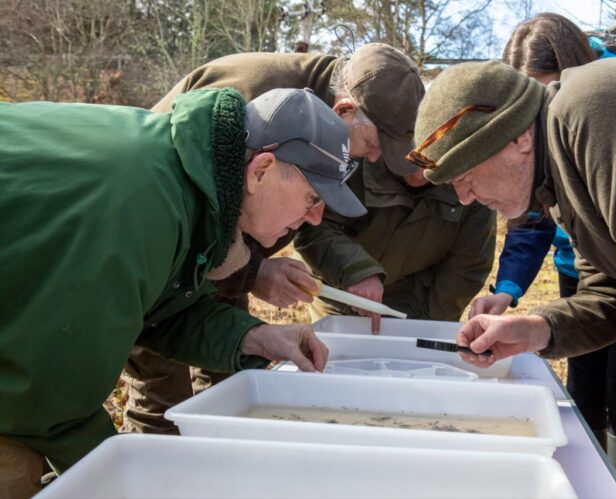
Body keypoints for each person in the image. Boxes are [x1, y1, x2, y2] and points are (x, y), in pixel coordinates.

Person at [409, 55, 616, 498]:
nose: (466, 196)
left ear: (516, 140)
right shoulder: (562, 166)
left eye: (467, 174)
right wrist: (537, 330)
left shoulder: (600, 114)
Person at [0, 86, 361, 496]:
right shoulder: (140, 205)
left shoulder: (195, 192)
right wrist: (139, 484)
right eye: (312, 197)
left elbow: (158, 313)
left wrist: (254, 336)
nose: (315, 219)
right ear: (260, 171)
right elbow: (47, 402)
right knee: (16, 470)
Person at [122, 43, 426, 435]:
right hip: (157, 266)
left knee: (228, 377)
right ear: (345, 111)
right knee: (162, 393)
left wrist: (254, 274)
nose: (370, 159)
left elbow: (309, 216)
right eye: (371, 146)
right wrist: (254, 270)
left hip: (221, 258)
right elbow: (186, 218)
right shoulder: (254, 98)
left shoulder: (336, 130)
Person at [467, 13, 616, 485]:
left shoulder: (614, 116)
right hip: (579, 270)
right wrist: (507, 290)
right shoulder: (531, 149)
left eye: (544, 93)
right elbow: (529, 223)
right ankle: (586, 481)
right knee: (583, 383)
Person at [294, 154, 496, 327]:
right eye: (410, 158)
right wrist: (357, 270)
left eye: (431, 163)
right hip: (340, 290)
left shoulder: (470, 183)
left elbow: (467, 266)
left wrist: (429, 328)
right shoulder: (354, 155)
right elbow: (312, 228)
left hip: (414, 299)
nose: (419, 174)